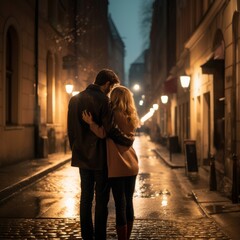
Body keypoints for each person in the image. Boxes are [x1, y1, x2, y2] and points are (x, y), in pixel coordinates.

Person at [67, 69, 134, 240]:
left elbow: (71, 131)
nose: (110, 90)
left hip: (81, 157)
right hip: (100, 158)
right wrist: (127, 141)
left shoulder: (75, 99)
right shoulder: (104, 101)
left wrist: (76, 149)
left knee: (85, 198)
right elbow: (109, 130)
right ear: (106, 84)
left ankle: (87, 236)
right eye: (110, 87)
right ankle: (100, 236)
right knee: (101, 200)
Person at [82, 85, 140, 240]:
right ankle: (126, 237)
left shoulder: (112, 114)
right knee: (129, 203)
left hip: (117, 166)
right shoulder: (131, 116)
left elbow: (103, 133)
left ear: (114, 98)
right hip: (132, 165)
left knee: (120, 204)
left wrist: (91, 123)